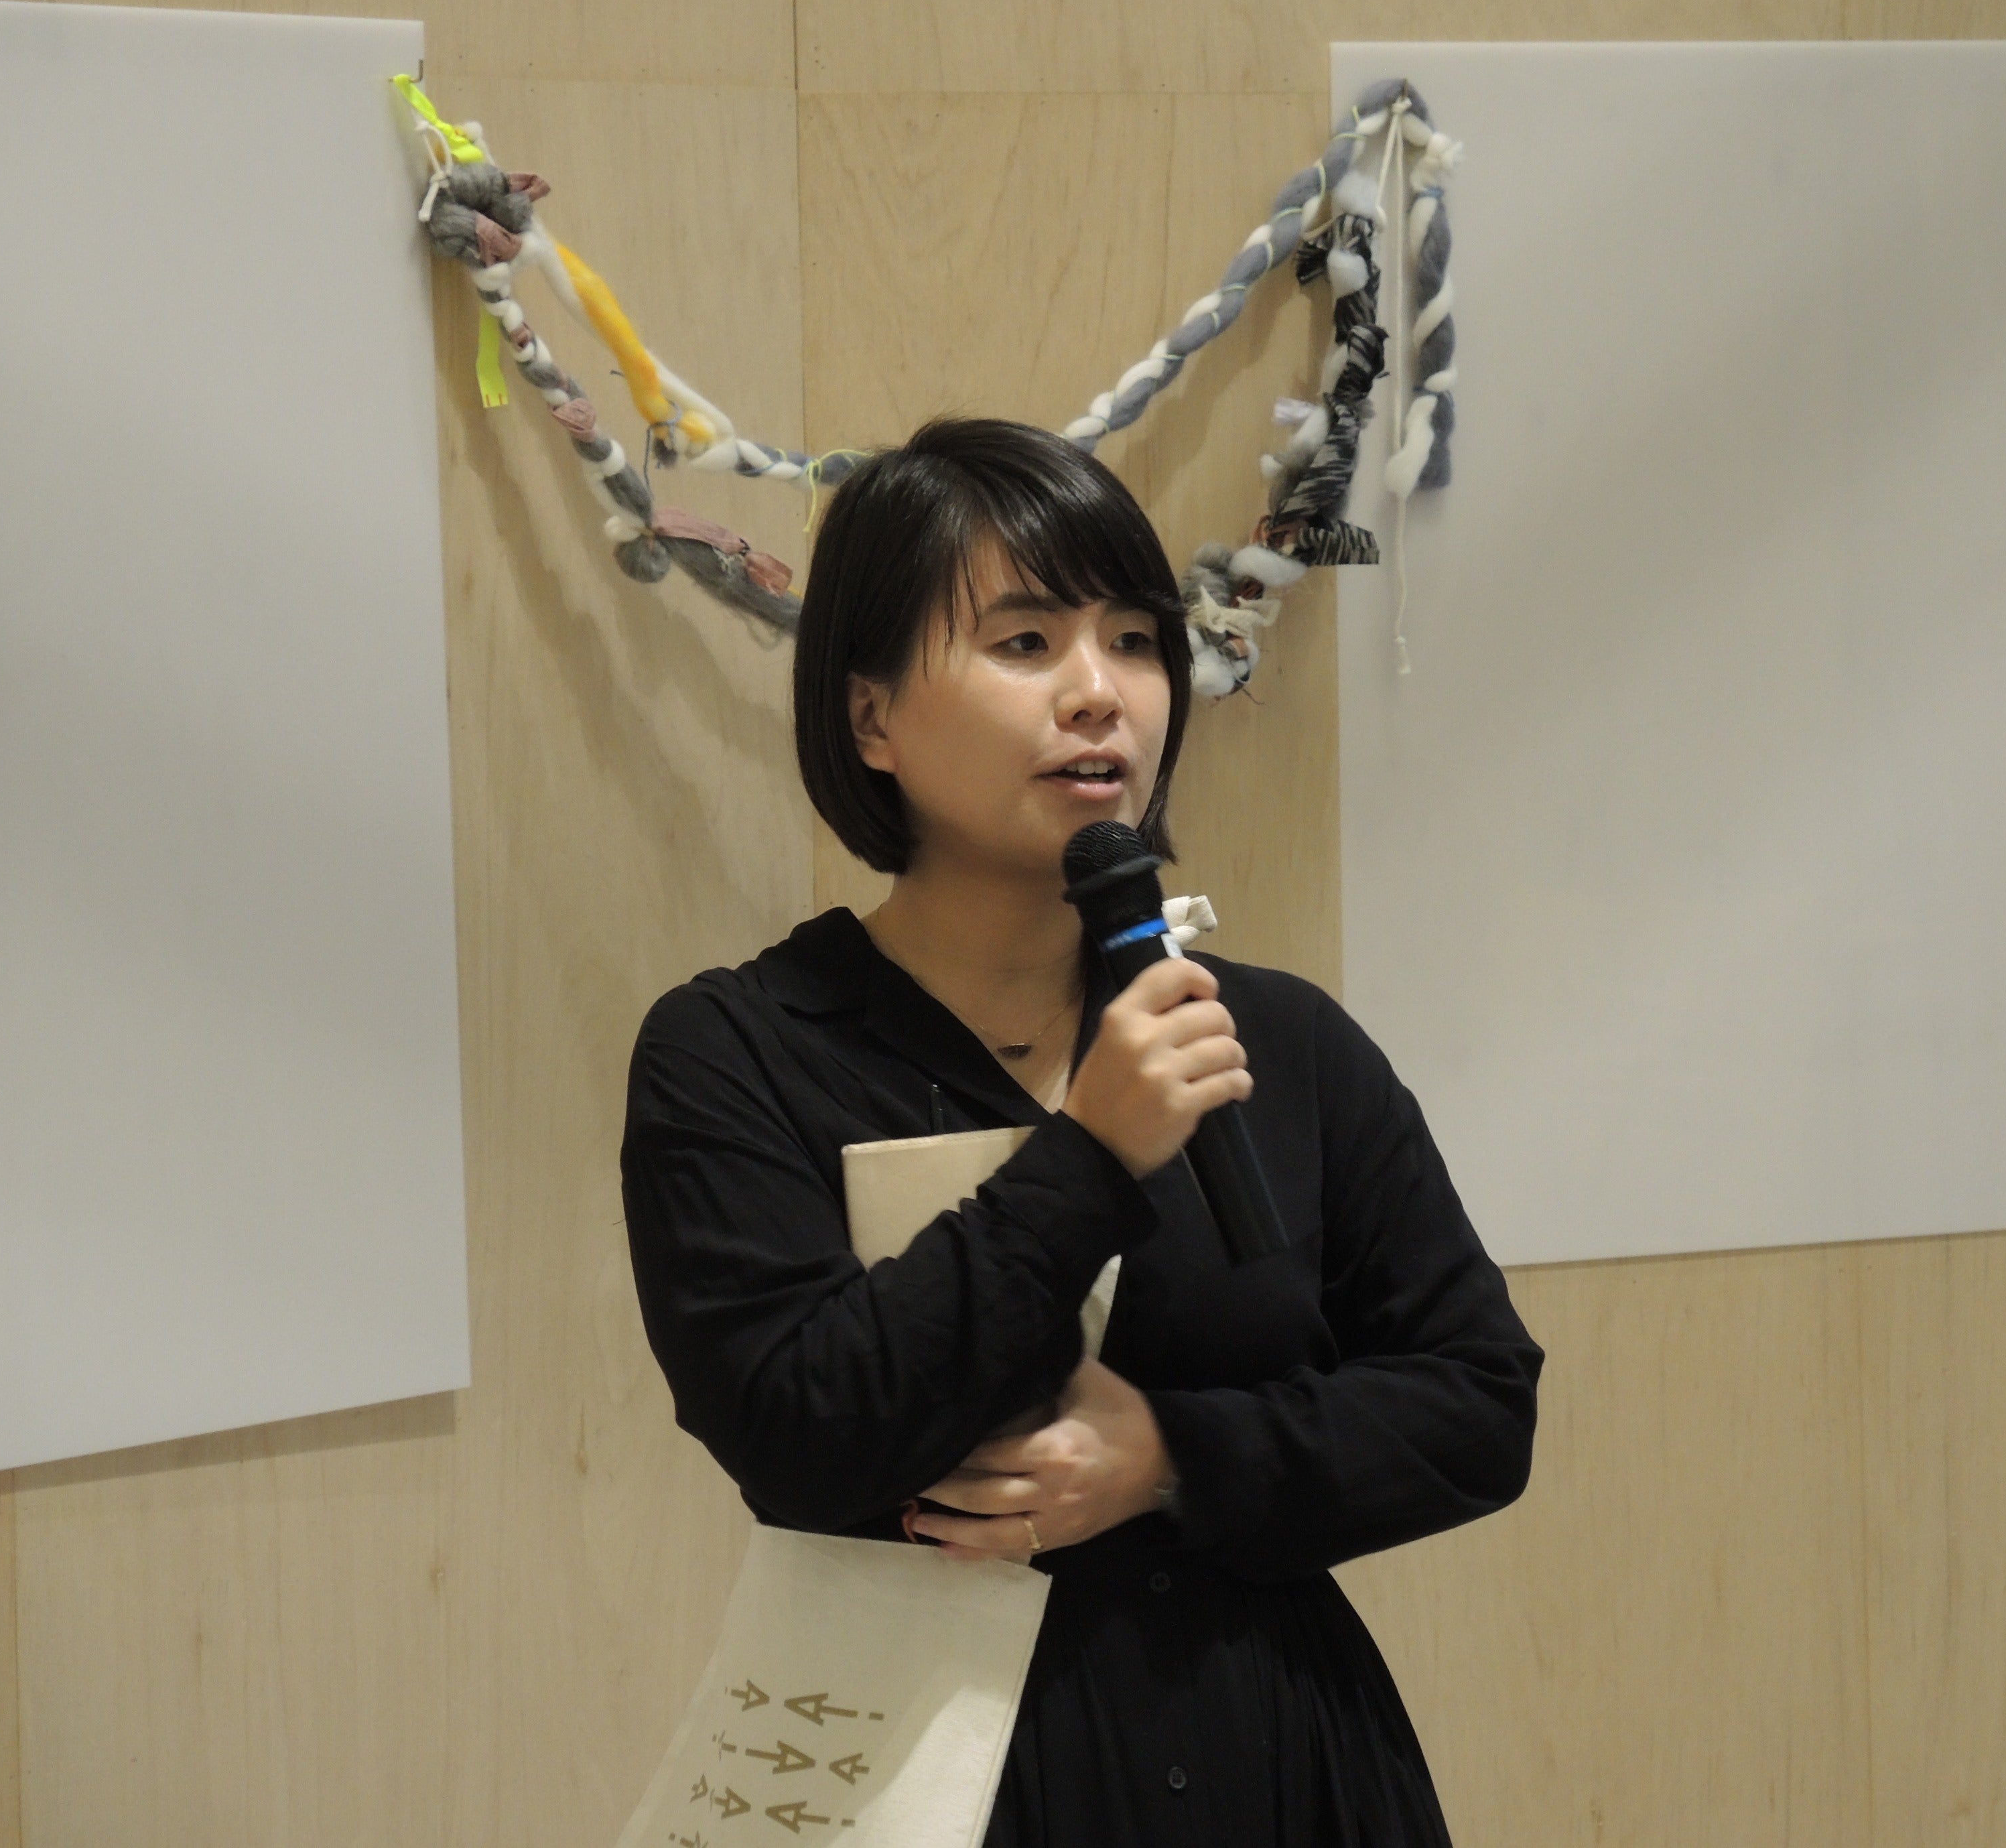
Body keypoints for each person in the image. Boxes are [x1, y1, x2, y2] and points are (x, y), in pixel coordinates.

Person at [620, 417, 1541, 1847]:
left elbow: (1476, 1405)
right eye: (1026, 642)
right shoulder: (741, 1051)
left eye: (1133, 639)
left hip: (1282, 1770)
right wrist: (1088, 1158)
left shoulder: (1275, 1037)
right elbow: (796, 1434)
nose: (1101, 694)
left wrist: (1169, 1457)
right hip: (929, 1789)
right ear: (870, 719)